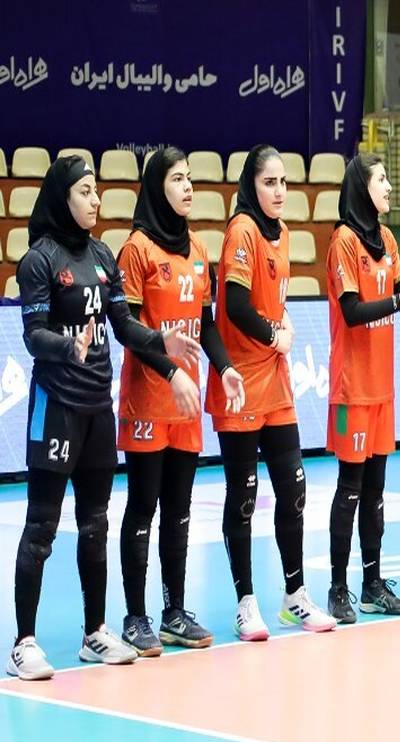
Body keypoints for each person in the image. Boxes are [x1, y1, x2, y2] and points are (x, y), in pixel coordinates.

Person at [7, 156, 201, 679]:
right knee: (42, 526)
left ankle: (95, 632)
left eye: (96, 191)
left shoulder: (101, 256)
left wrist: (161, 340)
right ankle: (24, 643)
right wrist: (66, 346)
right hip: (56, 408)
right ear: (63, 197)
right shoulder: (39, 261)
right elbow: (33, 335)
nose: (96, 200)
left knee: (95, 524)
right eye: (85, 191)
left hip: (97, 408)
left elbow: (123, 325)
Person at [116, 147, 246, 655]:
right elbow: (130, 330)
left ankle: (174, 611)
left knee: (180, 511)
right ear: (156, 187)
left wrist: (225, 367)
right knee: (142, 507)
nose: (188, 187)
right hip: (149, 401)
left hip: (186, 404)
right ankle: (135, 616)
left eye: (190, 178)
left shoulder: (196, 248)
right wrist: (170, 372)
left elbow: (206, 323)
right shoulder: (136, 250)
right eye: (176, 179)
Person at [210, 144, 337, 640]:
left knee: (294, 489)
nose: (280, 191)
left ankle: (294, 596)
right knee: (244, 497)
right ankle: (246, 603)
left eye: (284, 182)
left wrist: (283, 321)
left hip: (277, 380)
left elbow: (271, 299)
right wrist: (272, 334)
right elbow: (236, 305)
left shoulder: (282, 232)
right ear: (252, 185)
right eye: (269, 182)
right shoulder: (242, 230)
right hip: (241, 381)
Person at [325, 153, 400, 623]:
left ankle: (372, 584)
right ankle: (337, 587)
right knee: (350, 489)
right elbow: (353, 311)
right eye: (382, 179)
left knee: (376, 492)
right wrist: (398, 298)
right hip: (352, 386)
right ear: (361, 187)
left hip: (382, 388)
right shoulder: (343, 241)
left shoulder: (388, 239)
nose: (389, 186)